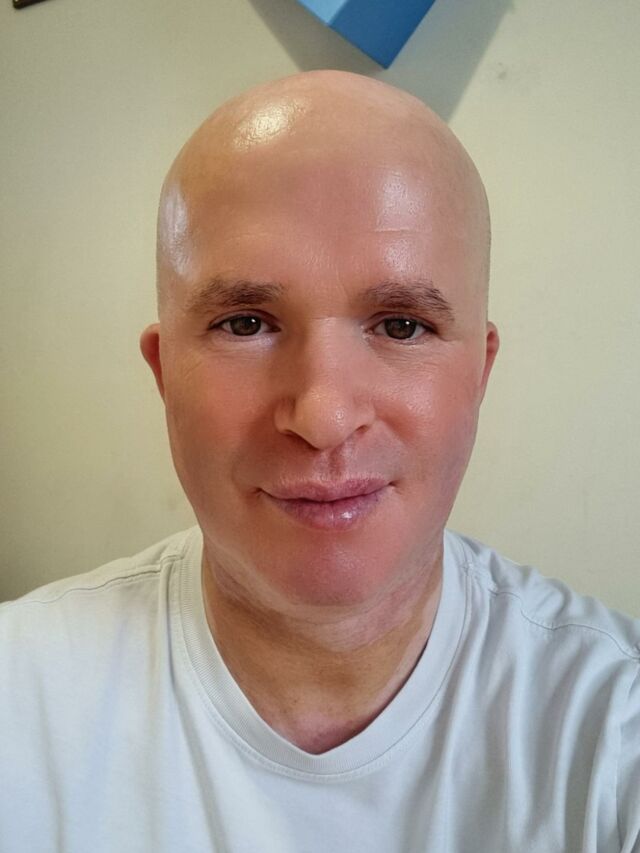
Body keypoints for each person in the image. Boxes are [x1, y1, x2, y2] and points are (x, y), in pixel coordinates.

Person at [0, 70, 638, 853]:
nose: (324, 416)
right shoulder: (19, 698)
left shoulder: (613, 728)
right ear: (164, 375)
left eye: (401, 325)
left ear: (479, 371)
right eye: (245, 323)